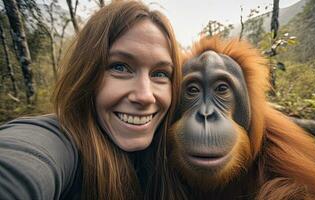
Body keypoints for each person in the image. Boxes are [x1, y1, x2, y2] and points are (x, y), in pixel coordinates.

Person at [0, 1, 182, 199]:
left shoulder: (175, 152)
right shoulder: (60, 142)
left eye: (160, 73)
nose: (145, 96)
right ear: (86, 74)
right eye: (119, 67)